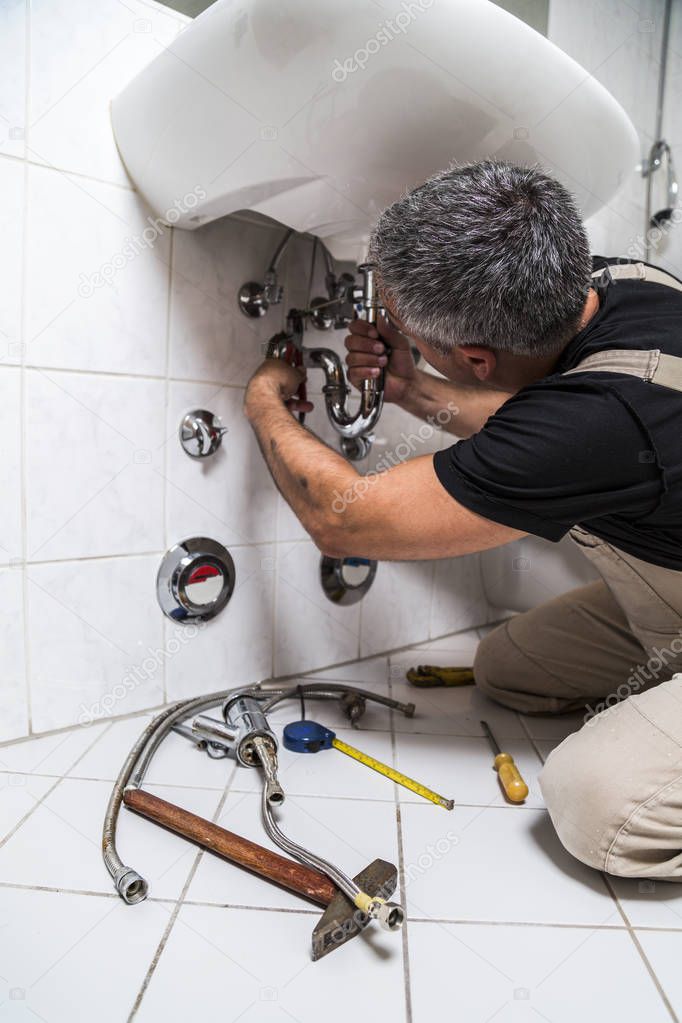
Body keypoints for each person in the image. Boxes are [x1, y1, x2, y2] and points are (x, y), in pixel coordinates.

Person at [244, 160, 682, 881]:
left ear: (477, 357)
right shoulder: (609, 284)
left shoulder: (600, 421)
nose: (409, 343)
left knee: (596, 805)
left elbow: (340, 518)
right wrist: (414, 386)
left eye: (418, 339)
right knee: (509, 670)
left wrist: (264, 397)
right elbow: (535, 420)